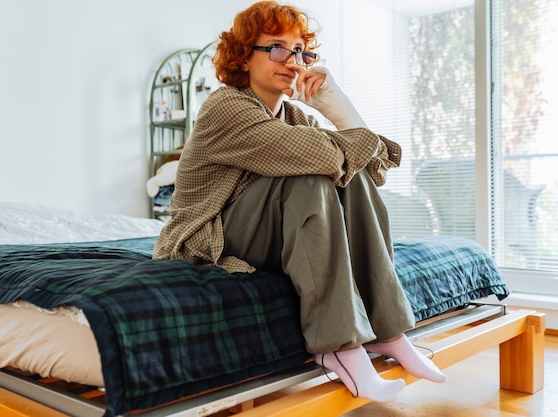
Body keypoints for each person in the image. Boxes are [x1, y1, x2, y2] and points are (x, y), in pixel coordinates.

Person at [153, 0, 447, 402]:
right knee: (311, 172)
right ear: (244, 55)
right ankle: (339, 347)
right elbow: (324, 157)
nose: (292, 61)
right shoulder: (227, 106)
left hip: (264, 233)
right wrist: (339, 136)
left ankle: (389, 334)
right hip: (209, 236)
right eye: (276, 47)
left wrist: (335, 102)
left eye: (300, 51)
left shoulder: (293, 116)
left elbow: (375, 166)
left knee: (352, 175)